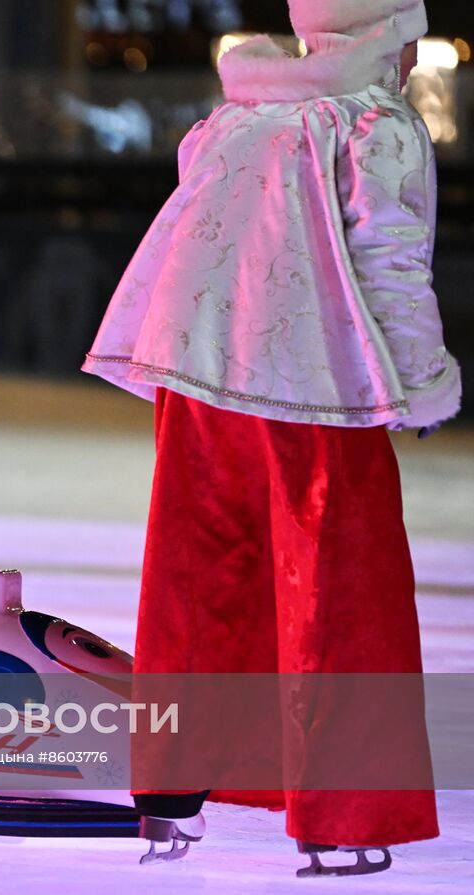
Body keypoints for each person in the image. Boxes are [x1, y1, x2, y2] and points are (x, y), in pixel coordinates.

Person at [81, 0, 458, 877]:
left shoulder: (237, 115)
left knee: (196, 571)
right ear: (387, 41)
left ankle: (171, 797)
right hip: (313, 375)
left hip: (198, 369)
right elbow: (391, 260)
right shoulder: (377, 125)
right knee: (339, 584)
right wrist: (420, 385)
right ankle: (344, 814)